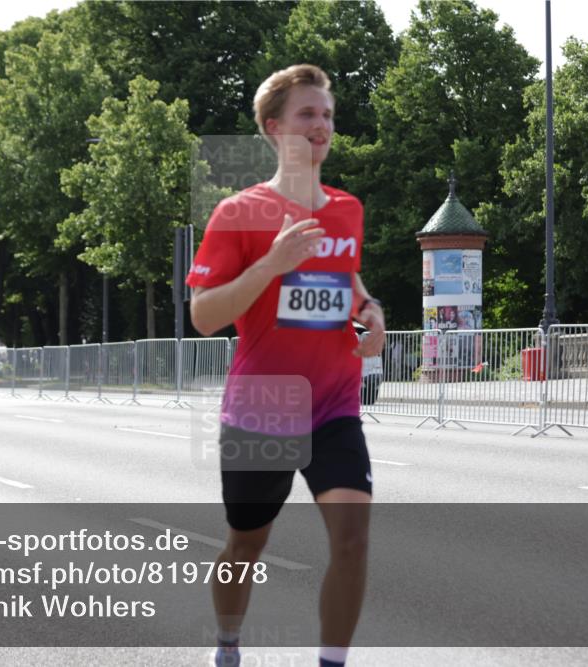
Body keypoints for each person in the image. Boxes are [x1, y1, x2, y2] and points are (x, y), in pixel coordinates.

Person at [187, 64, 385, 667]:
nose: (321, 125)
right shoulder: (237, 213)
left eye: (327, 114)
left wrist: (371, 311)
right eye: (307, 114)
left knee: (351, 539)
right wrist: (269, 265)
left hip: (333, 403)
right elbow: (203, 316)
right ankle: (227, 646)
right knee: (248, 540)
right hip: (263, 407)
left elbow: (344, 280)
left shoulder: (346, 210)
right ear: (274, 128)